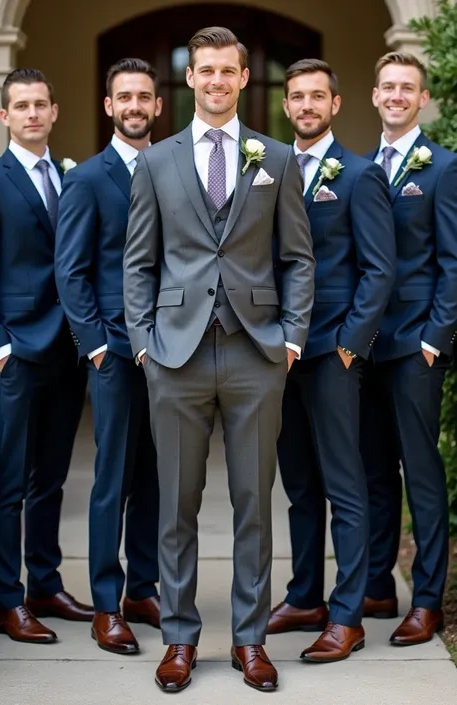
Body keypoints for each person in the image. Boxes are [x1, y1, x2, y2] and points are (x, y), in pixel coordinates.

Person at [123, 26, 314, 693]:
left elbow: (297, 257)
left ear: (240, 77)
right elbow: (138, 261)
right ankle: (179, 637)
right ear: (191, 78)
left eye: (227, 71)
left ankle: (250, 638)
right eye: (203, 70)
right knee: (175, 504)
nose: (215, 81)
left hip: (255, 352)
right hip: (173, 354)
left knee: (252, 503)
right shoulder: (156, 162)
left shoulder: (277, 159)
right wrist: (144, 341)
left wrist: (291, 336)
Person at [267, 59, 395, 663]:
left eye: (318, 96)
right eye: (297, 97)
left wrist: (351, 343)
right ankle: (305, 596)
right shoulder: (265, 169)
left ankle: (348, 614)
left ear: (336, 104)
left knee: (346, 486)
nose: (307, 105)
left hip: (333, 352)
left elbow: (379, 269)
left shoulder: (360, 176)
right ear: (286, 106)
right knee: (298, 484)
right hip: (279, 354)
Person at [55, 58, 162, 654]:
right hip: (115, 350)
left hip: (168, 349)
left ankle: (143, 588)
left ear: (156, 105)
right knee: (112, 479)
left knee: (153, 475)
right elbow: (71, 272)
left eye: (144, 97)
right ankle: (105, 602)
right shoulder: (88, 179)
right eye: (125, 97)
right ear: (109, 107)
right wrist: (94, 345)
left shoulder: (173, 168)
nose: (135, 106)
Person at [0, 68, 92, 644]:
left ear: (54, 113)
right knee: (12, 482)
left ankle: (45, 585)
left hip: (66, 352)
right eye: (20, 106)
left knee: (51, 478)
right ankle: (7, 601)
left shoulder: (70, 177)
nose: (31, 114)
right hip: (18, 353)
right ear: (5, 116)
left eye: (40, 105)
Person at [361, 51, 457, 646]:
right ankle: (375, 584)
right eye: (388, 87)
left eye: (407, 88)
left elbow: (453, 262)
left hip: (415, 343)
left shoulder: (444, 167)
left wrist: (434, 339)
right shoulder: (359, 166)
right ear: (374, 96)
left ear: (422, 99)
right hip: (365, 346)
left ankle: (427, 601)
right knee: (371, 471)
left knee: (420, 473)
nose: (396, 95)